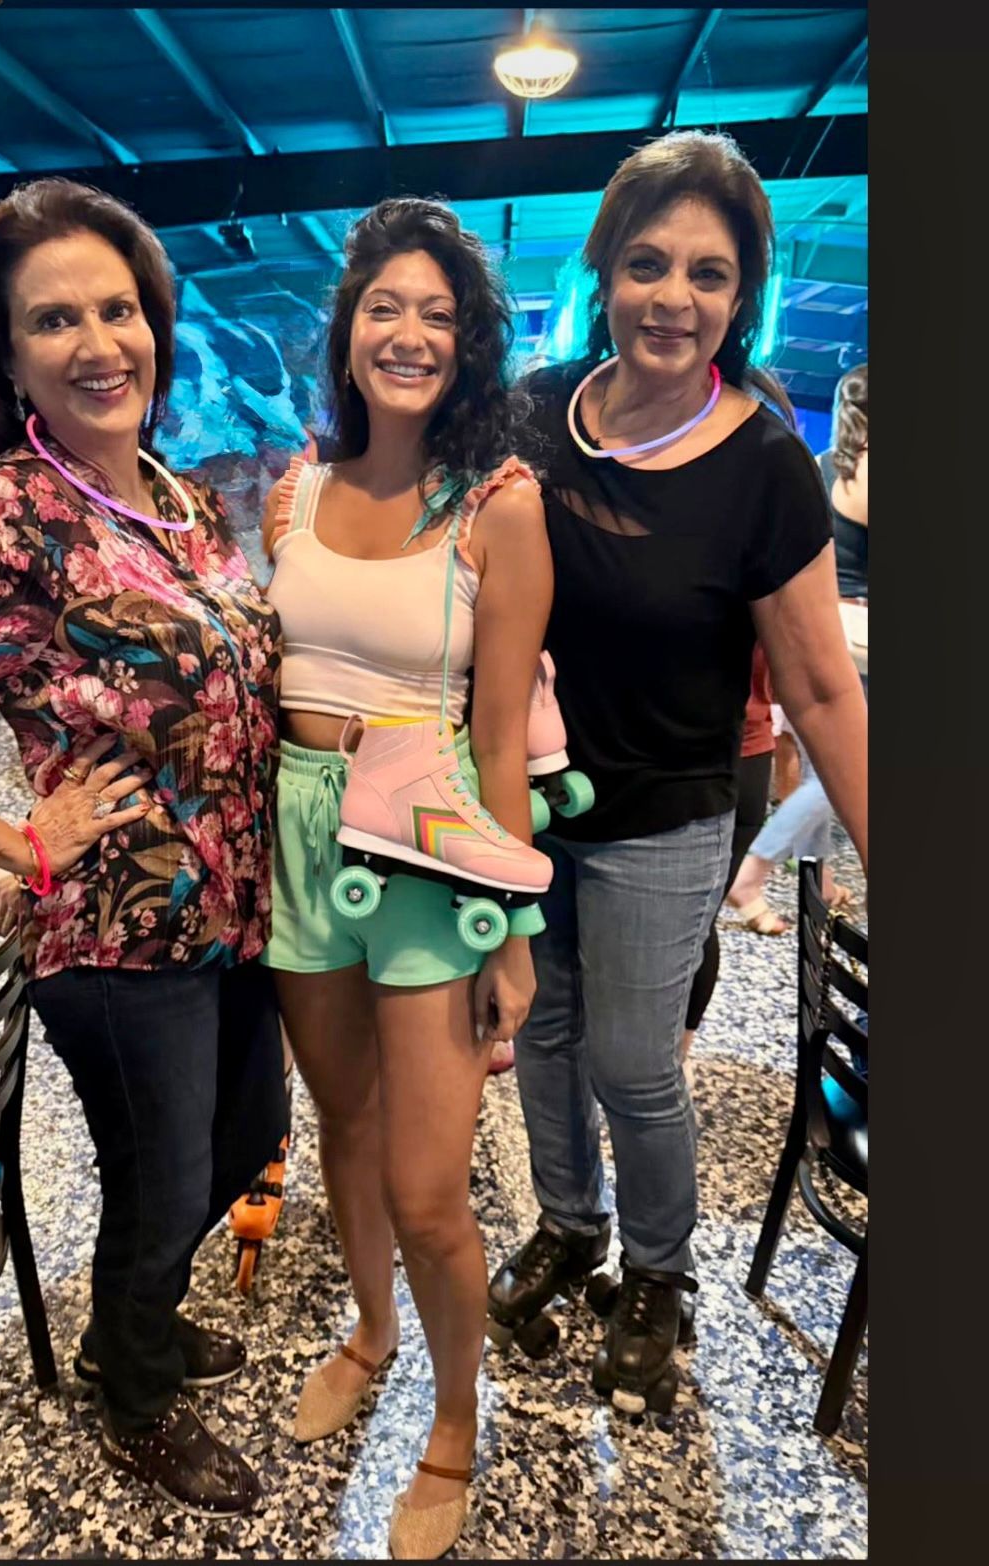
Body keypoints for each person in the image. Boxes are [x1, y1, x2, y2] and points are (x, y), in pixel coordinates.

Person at [0, 178, 284, 1517]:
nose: (97, 342)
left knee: (248, 1132)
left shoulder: (181, 496)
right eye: (53, 319)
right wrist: (22, 838)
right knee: (160, 1175)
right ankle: (134, 1391)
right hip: (117, 927)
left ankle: (140, 1315)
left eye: (117, 310)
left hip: (239, 904)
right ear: (9, 358)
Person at [493, 130, 868, 1415]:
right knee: (542, 1032)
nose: (674, 297)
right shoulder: (534, 415)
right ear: (605, 270)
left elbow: (821, 686)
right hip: (525, 806)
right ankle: (570, 1224)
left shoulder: (764, 463)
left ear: (742, 293)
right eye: (648, 264)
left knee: (633, 1062)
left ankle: (659, 1272)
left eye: (709, 274)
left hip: (666, 819)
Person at [259, 198, 551, 1559]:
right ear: (348, 331)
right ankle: (370, 1333)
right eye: (386, 306)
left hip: (431, 845)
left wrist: (513, 935)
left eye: (439, 313)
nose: (410, 333)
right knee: (345, 1124)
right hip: (303, 830)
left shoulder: (499, 506)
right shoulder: (295, 492)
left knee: (431, 1188)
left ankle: (453, 1418)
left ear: (470, 342)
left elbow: (500, 735)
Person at [726, 363, 868, 932]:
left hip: (816, 625)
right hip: (854, 633)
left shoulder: (824, 465)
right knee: (844, 770)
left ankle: (818, 880)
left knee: (817, 768)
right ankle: (754, 871)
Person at [679, 644, 776, 1081]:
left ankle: (673, 1061)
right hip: (743, 752)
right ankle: (674, 1061)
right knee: (698, 922)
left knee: (694, 923)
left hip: (727, 753)